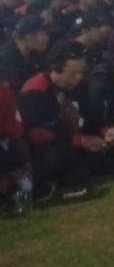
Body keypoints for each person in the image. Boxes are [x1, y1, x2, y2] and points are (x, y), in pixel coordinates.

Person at [18, 42, 103, 199]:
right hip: (38, 151)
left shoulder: (77, 87)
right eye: (73, 73)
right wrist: (80, 140)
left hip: (65, 140)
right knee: (56, 153)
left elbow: (89, 116)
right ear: (56, 68)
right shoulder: (35, 90)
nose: (78, 77)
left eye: (81, 72)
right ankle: (37, 188)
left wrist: (104, 131)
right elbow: (35, 134)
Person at [0, 16, 50, 93]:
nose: (47, 38)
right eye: (42, 35)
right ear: (29, 37)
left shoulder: (35, 53)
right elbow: (14, 89)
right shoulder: (4, 58)